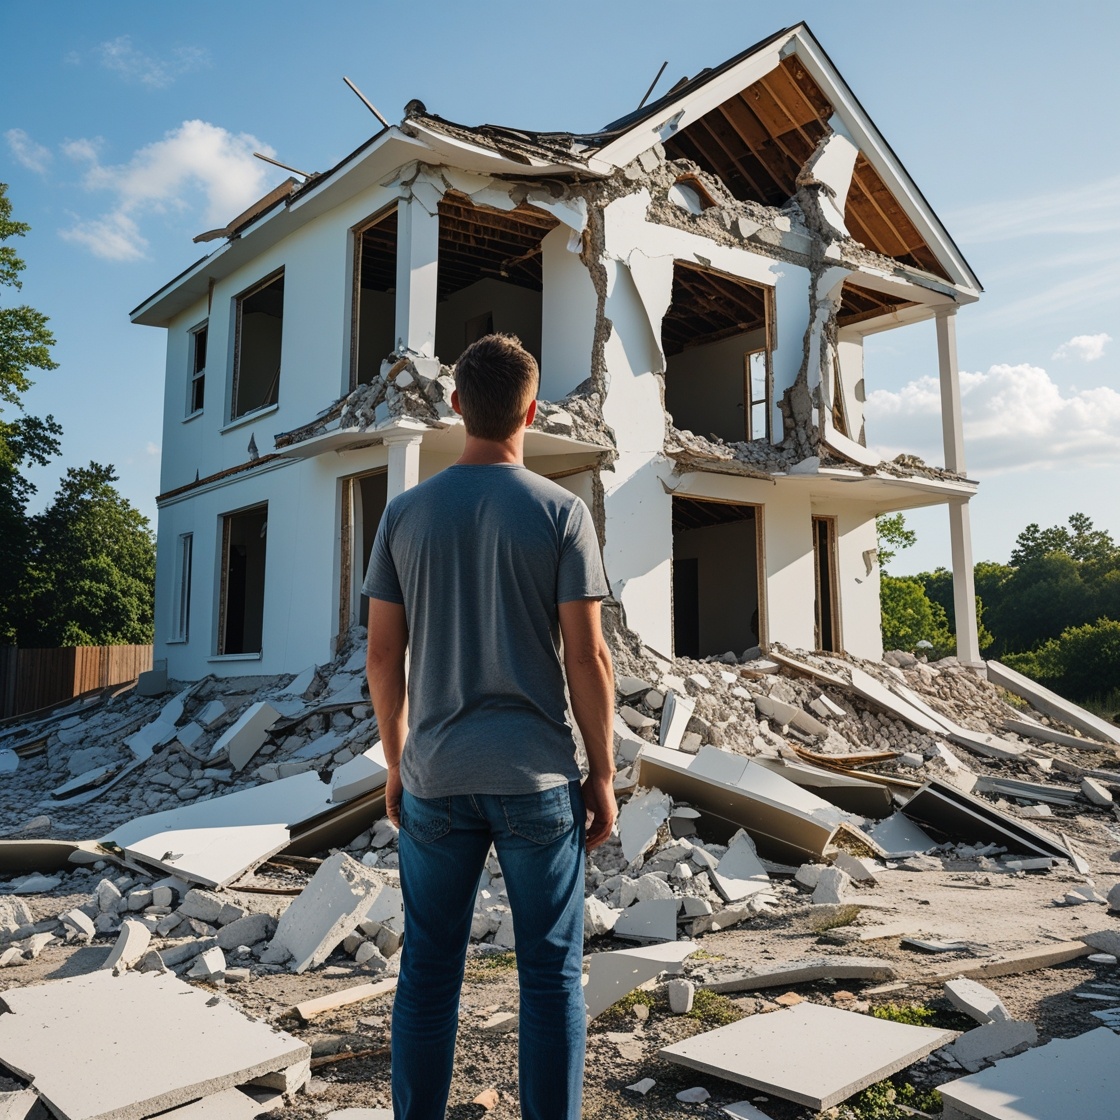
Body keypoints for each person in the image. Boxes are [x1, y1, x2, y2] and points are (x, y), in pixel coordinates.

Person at [363, 333, 617, 1120]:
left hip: (436, 779)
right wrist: (603, 772)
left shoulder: (403, 514)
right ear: (532, 412)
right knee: (548, 976)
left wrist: (397, 762)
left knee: (429, 973)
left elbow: (380, 657)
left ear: (457, 404)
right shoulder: (561, 512)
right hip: (536, 779)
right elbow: (588, 654)